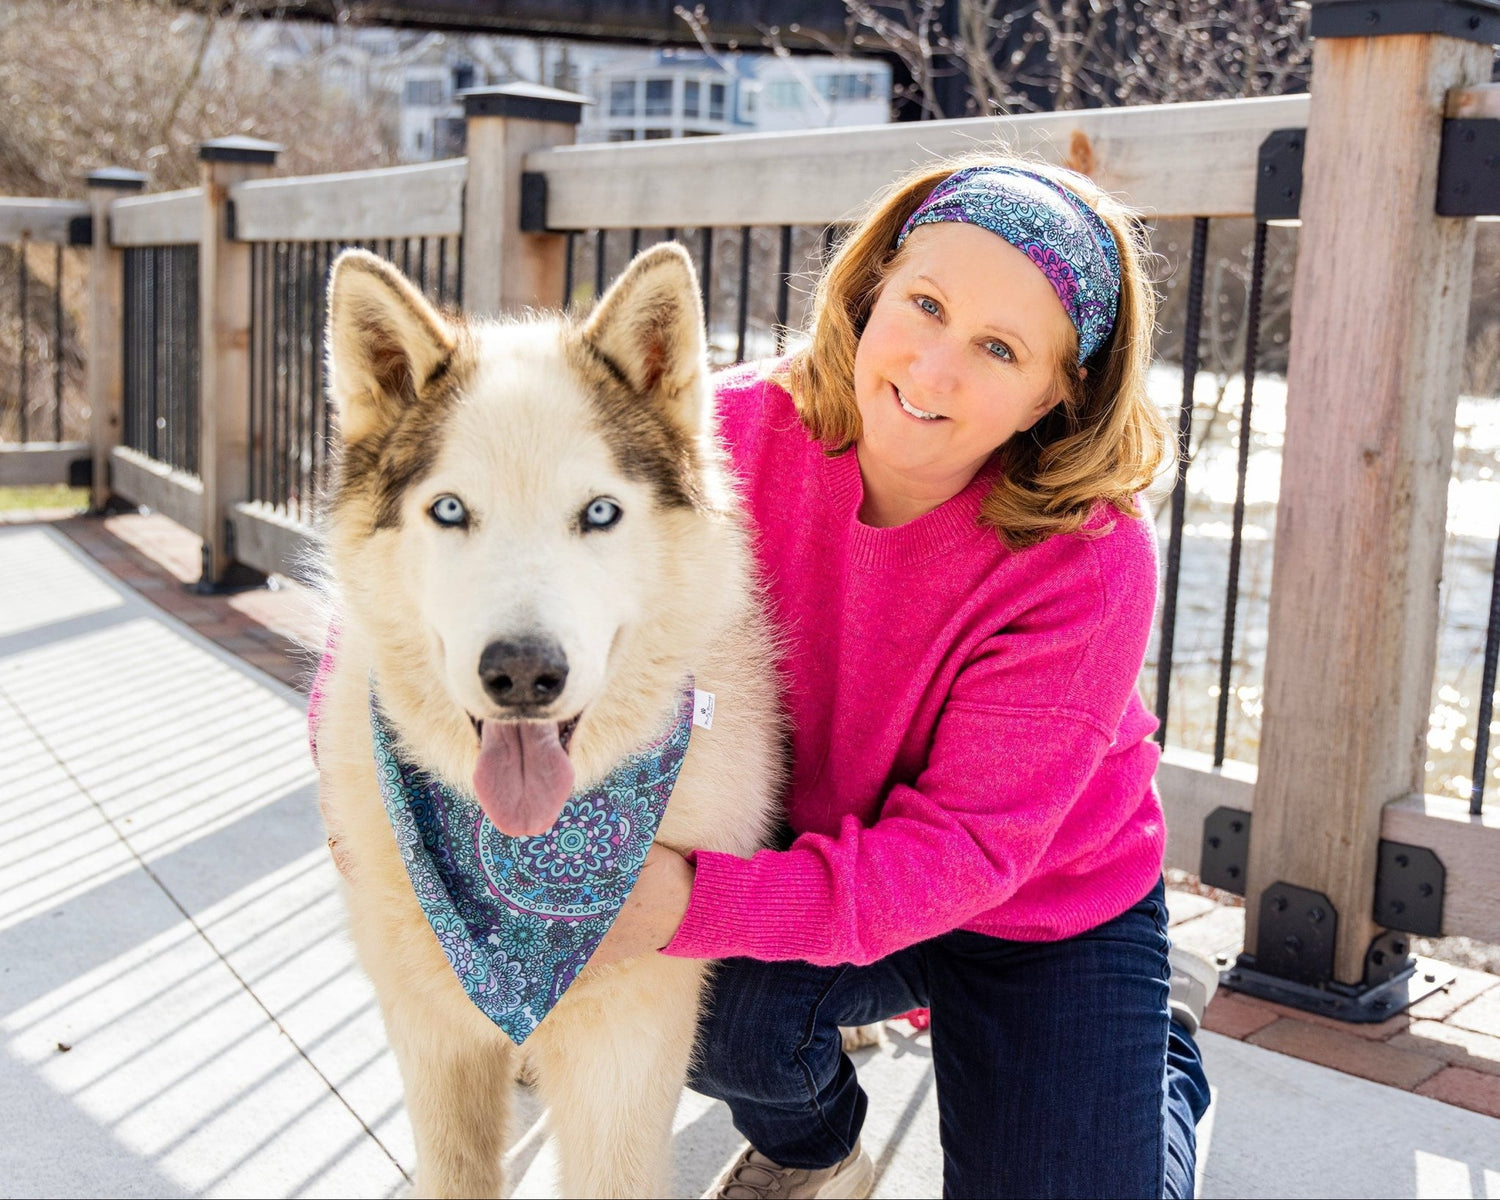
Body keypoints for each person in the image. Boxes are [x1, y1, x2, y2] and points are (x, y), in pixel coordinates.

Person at [592, 154, 1217, 1200]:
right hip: (826, 852)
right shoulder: (728, 434)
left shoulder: (1091, 556)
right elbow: (505, 505)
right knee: (710, 1007)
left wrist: (681, 898)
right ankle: (814, 1150)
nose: (931, 372)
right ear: (873, 281)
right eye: (924, 303)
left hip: (1043, 907)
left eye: (1000, 348)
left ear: (1058, 391)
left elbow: (961, 852)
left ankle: (1160, 1053)